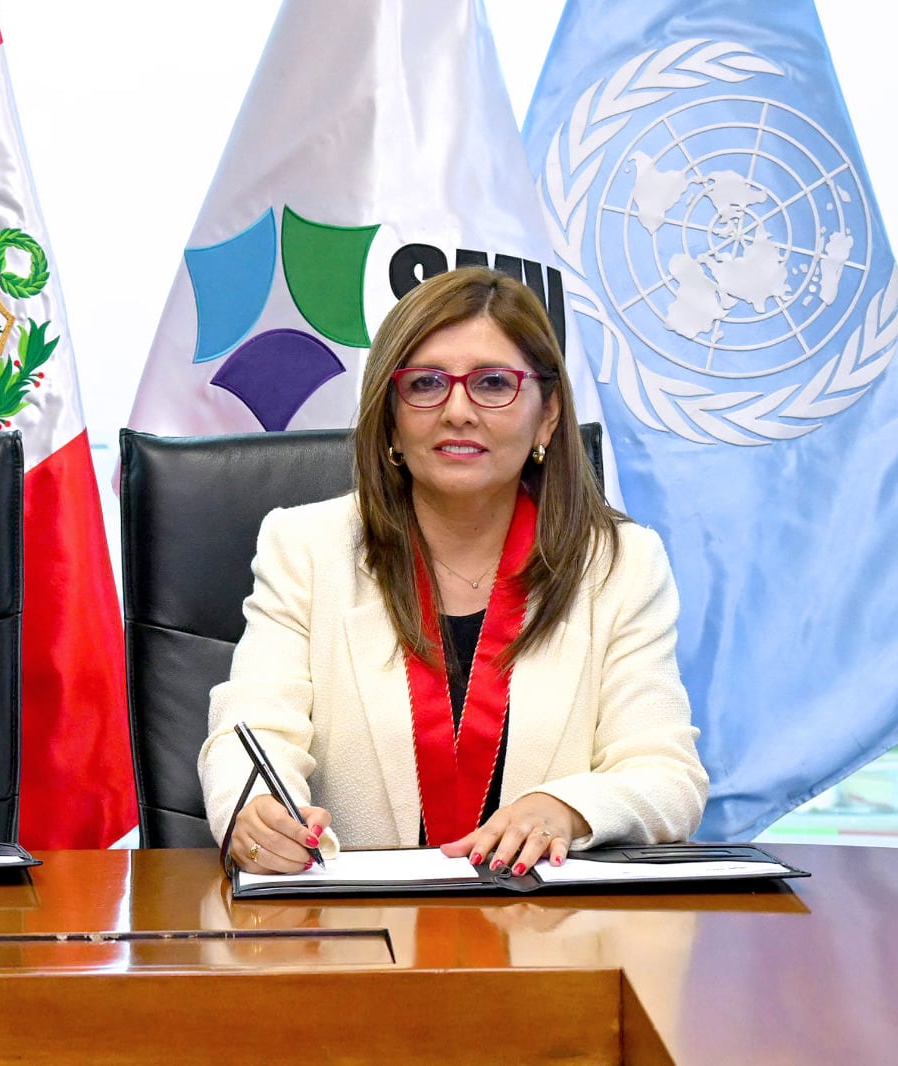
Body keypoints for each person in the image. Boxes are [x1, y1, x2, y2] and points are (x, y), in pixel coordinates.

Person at [200, 267, 708, 877]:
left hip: (549, 939)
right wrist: (254, 812)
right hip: (358, 938)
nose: (458, 411)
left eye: (494, 383)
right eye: (426, 384)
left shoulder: (620, 563)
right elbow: (250, 731)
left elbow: (667, 774)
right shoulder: (305, 547)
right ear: (390, 416)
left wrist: (565, 809)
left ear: (547, 416)